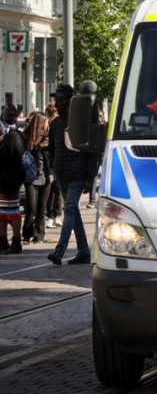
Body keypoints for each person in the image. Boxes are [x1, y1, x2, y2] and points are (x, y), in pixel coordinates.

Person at [47, 83, 101, 266]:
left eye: (60, 99)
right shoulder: (55, 124)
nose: (56, 103)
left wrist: (89, 178)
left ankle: (59, 251)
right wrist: (53, 166)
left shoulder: (82, 121)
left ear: (70, 100)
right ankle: (84, 252)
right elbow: (52, 150)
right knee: (73, 212)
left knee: (69, 209)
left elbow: (92, 151)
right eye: (55, 99)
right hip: (62, 174)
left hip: (77, 174)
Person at [21, 111, 51, 244]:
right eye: (46, 123)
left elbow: (53, 155)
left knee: (42, 207)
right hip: (31, 177)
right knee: (31, 207)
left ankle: (39, 235)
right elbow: (26, 153)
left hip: (46, 176)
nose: (48, 126)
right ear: (40, 124)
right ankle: (26, 234)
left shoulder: (50, 137)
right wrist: (40, 146)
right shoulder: (28, 138)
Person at [0, 107, 27, 254]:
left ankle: (16, 241)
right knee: (3, 212)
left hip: (9, 179)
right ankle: (3, 241)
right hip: (10, 179)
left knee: (12, 212)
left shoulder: (11, 137)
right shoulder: (17, 135)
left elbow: (5, 158)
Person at [44, 102, 63, 229]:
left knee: (58, 189)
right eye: (51, 115)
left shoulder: (58, 126)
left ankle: (56, 215)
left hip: (57, 161)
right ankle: (51, 215)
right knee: (51, 190)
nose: (53, 118)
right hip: (50, 162)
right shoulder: (46, 127)